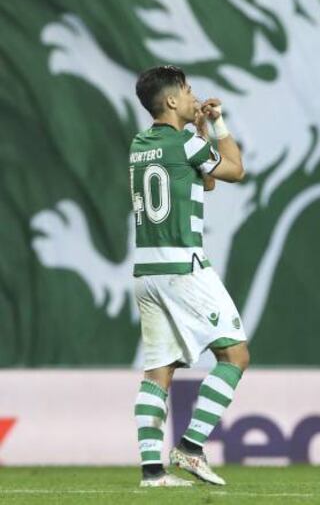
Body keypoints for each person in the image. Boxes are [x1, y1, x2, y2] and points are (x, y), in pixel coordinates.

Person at [129, 65, 249, 487]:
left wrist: (196, 129)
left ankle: (152, 472)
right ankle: (191, 447)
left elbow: (205, 184)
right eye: (188, 89)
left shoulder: (140, 143)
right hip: (183, 267)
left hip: (147, 272)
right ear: (173, 100)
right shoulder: (185, 143)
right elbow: (235, 171)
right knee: (235, 355)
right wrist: (215, 123)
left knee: (158, 371)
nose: (195, 93)